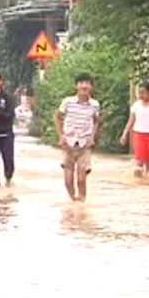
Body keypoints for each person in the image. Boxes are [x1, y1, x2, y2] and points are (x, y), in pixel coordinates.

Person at [55, 74, 102, 202]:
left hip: (84, 144)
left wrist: (92, 137)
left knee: (82, 179)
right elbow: (58, 117)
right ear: (76, 86)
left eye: (87, 83)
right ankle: (73, 202)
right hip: (68, 144)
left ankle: (81, 204)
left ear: (91, 87)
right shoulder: (68, 102)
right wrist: (61, 136)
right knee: (68, 180)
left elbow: (97, 121)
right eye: (81, 83)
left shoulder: (94, 105)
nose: (84, 86)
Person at [119, 80, 149, 177]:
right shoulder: (136, 105)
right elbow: (130, 121)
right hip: (138, 135)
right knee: (138, 163)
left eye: (143, 92)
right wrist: (124, 135)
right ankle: (138, 183)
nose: (141, 95)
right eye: (139, 93)